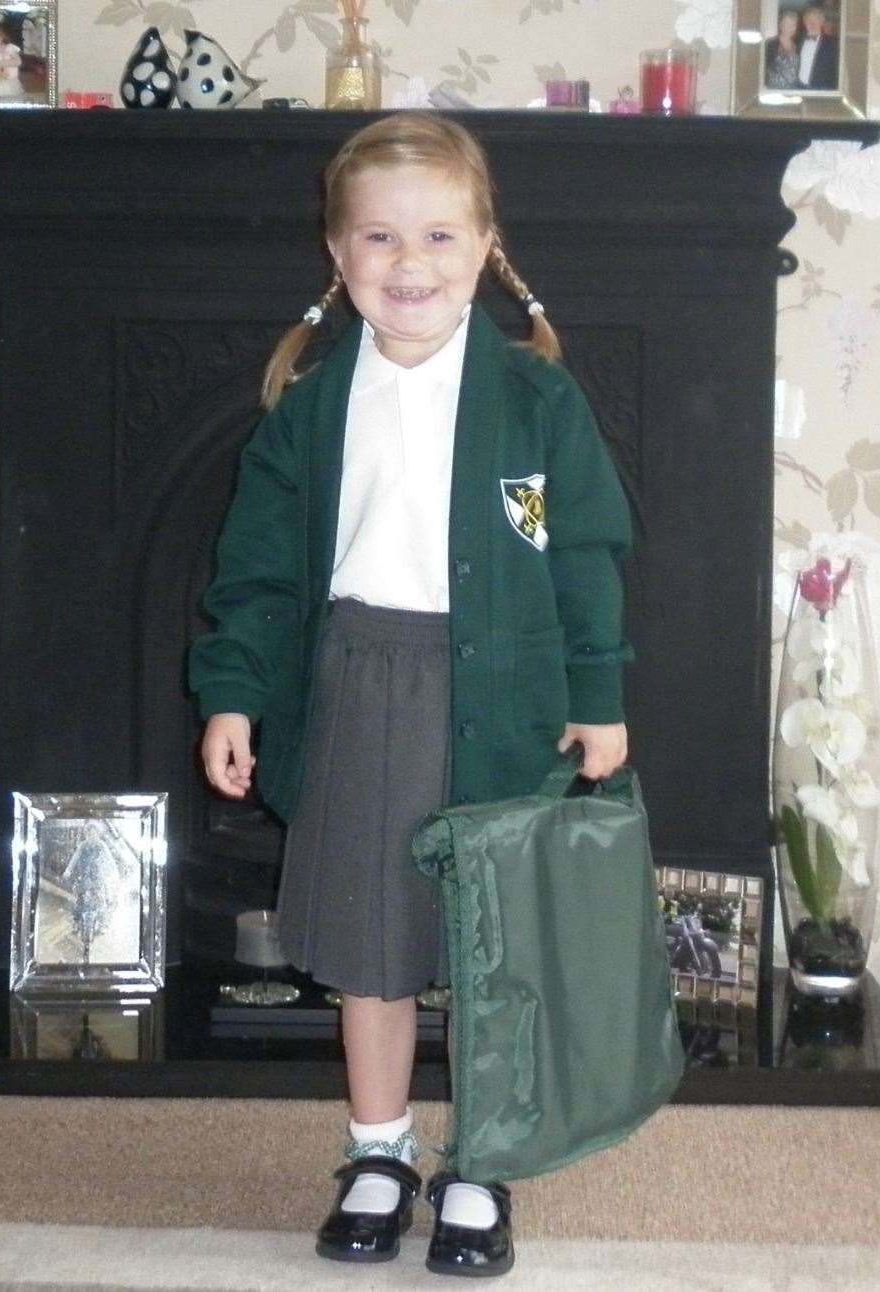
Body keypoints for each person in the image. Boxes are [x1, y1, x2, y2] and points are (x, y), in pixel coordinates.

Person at [189, 113, 632, 1278]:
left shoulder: (536, 401)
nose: (410, 262)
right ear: (338, 259)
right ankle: (378, 1152)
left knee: (495, 955)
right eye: (379, 237)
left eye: (438, 233)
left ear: (486, 246)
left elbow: (581, 552)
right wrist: (233, 695)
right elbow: (256, 571)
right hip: (361, 691)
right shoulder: (312, 404)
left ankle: (479, 1164)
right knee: (373, 943)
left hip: (508, 692)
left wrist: (597, 695)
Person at [798, 4, 840, 91]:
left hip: (822, 91)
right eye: (808, 20)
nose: (812, 23)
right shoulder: (797, 42)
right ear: (804, 23)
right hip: (798, 89)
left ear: (822, 22)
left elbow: (838, 70)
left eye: (816, 20)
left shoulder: (833, 43)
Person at [765, 9, 804, 90]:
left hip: (793, 91)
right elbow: (762, 68)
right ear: (781, 25)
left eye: (794, 25)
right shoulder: (771, 44)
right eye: (788, 24)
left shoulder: (798, 45)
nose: (791, 28)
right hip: (774, 90)